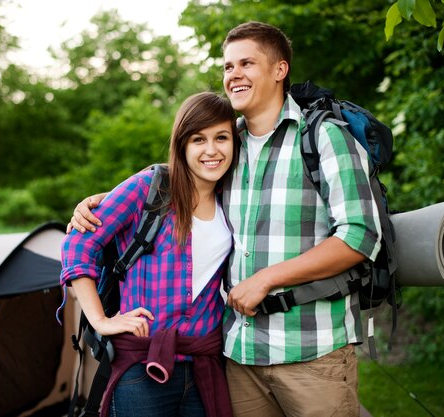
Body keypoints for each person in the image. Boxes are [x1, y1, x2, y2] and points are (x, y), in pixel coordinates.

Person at [70, 22, 381, 417]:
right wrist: (106, 200)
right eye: (228, 66)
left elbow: (360, 235)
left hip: (311, 350)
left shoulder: (323, 137)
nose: (234, 74)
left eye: (246, 63)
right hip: (238, 356)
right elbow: (181, 178)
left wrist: (267, 278)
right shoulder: (228, 141)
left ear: (279, 70)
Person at [61, 92, 239, 417]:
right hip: (141, 366)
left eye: (221, 138)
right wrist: (100, 320)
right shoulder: (150, 187)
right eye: (199, 139)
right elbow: (78, 245)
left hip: (203, 365)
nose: (211, 150)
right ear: (182, 144)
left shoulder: (234, 196)